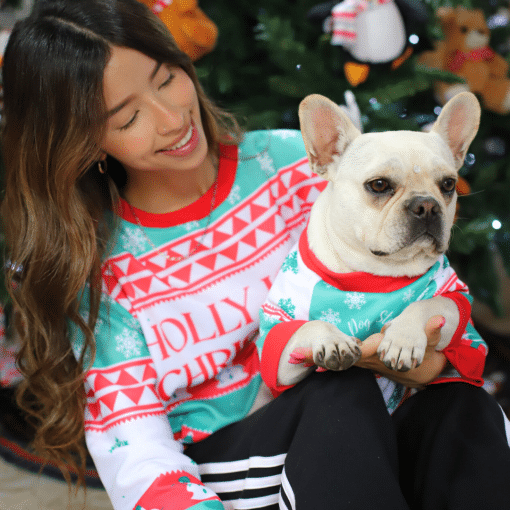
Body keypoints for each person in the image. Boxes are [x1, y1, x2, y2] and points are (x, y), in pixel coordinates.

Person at [1, 1, 509, 509]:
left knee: (467, 410)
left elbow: (424, 302)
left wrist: (432, 359)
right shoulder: (105, 267)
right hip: (238, 460)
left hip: (368, 430)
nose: (172, 117)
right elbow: (131, 444)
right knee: (340, 392)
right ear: (85, 141)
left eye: (167, 79)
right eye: (129, 116)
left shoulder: (294, 164)